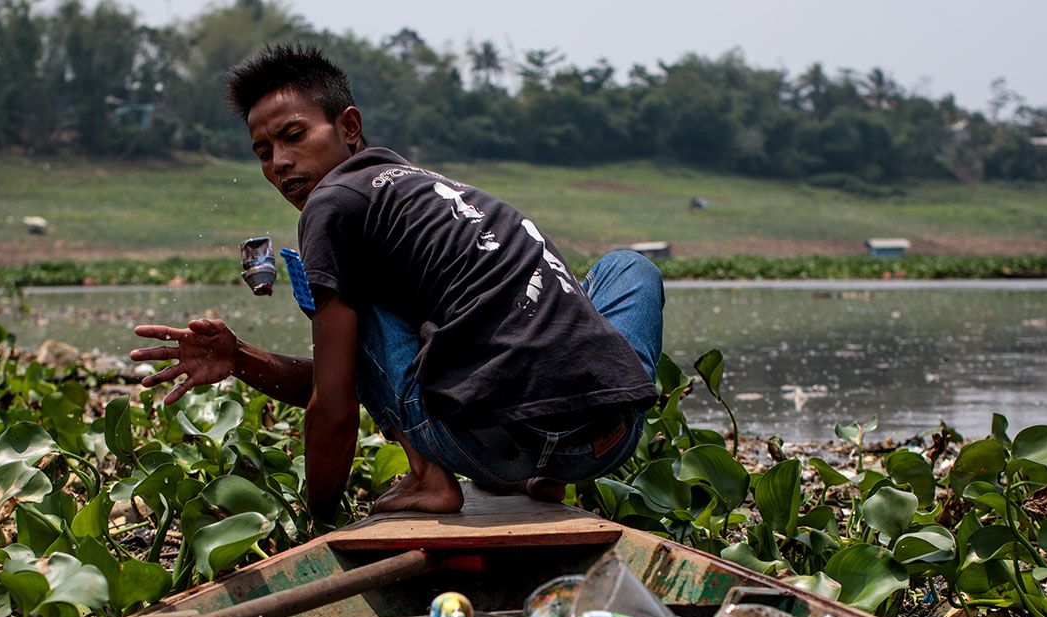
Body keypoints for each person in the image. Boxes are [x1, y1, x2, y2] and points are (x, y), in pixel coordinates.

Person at [130, 44, 665, 522]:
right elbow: (361, 378)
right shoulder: (434, 191)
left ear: (349, 127)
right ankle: (545, 475)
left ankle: (430, 479)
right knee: (628, 267)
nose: (281, 162)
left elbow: (335, 402)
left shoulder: (332, 204)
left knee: (357, 305)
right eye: (264, 151)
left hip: (490, 446)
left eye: (294, 136)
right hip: (605, 440)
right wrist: (238, 357)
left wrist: (321, 521)